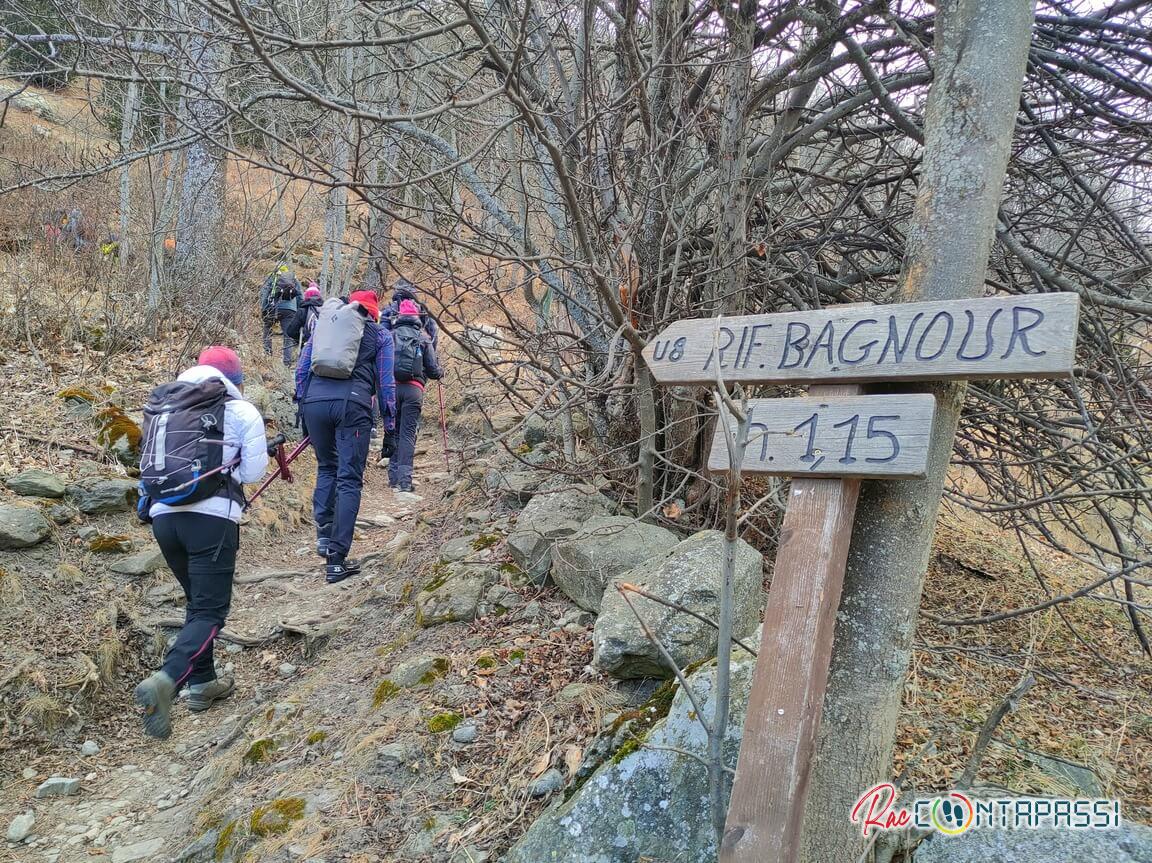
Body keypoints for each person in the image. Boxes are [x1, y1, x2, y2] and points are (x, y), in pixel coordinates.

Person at [133, 347, 269, 739]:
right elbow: (252, 471)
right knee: (210, 612)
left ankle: (203, 683)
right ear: (235, 379)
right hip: (211, 520)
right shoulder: (240, 411)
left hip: (163, 519)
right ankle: (167, 679)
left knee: (197, 601)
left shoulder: (163, 408)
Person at [295, 290, 396, 583]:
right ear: (373, 312)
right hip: (352, 405)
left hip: (314, 403)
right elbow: (386, 383)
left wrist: (303, 405)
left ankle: (324, 538)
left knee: (326, 467)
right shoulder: (379, 335)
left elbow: (302, 368)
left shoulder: (326, 327)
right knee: (349, 478)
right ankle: (336, 561)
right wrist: (390, 426)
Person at [387, 299, 443, 493]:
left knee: (393, 431)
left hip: (391, 390)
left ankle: (393, 477)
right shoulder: (424, 337)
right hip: (413, 390)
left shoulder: (390, 335)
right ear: (417, 317)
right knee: (408, 434)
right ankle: (404, 481)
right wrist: (440, 370)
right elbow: (434, 371)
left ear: (399, 316)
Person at [260, 267, 301, 365]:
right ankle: (287, 363)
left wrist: (264, 308)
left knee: (267, 330)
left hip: (273, 307)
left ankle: (267, 356)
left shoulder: (273, 276)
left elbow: (264, 292)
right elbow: (300, 295)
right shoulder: (293, 277)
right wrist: (299, 311)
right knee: (288, 336)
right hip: (290, 309)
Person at [381, 277, 438, 347]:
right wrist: (431, 350)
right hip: (417, 347)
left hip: (394, 349)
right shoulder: (420, 307)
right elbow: (433, 330)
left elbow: (382, 332)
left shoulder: (389, 308)